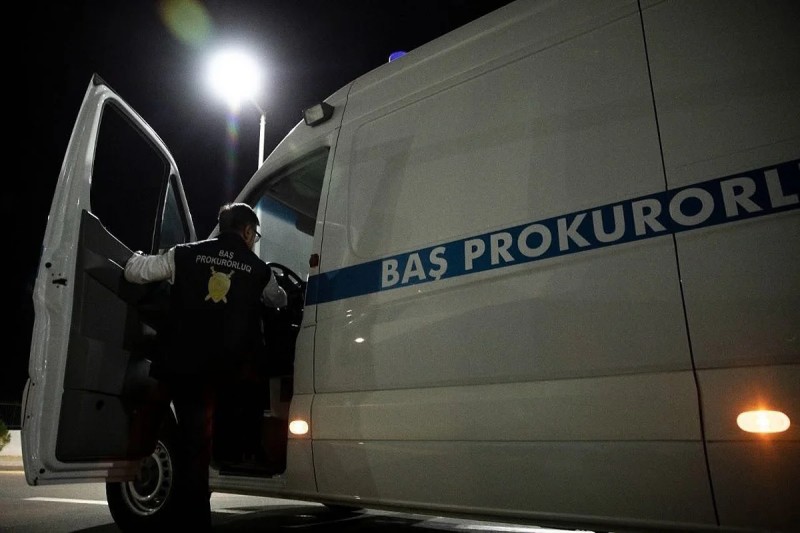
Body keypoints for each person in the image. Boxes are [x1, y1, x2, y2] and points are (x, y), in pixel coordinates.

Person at [124, 202, 286, 530]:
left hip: (181, 368)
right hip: (229, 374)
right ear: (247, 231)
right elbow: (279, 299)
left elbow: (135, 272)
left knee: (186, 440)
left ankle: (140, 460)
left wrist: (137, 255)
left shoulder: (184, 254)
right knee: (200, 447)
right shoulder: (259, 270)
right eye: (254, 235)